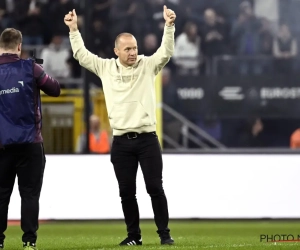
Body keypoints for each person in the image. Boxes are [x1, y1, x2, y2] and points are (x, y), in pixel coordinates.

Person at [64, 5, 176, 246]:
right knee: (127, 193)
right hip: (121, 142)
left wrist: (169, 27)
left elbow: (165, 53)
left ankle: (165, 235)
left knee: (155, 188)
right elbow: (82, 56)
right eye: (127, 49)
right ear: (116, 51)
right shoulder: (106, 67)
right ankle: (134, 236)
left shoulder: (147, 65)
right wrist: (74, 30)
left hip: (147, 139)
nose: (133, 52)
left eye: (134, 48)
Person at [0, 28, 61, 250]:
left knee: (1, 195)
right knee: (30, 195)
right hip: (30, 143)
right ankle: (29, 242)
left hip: (2, 146)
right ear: (19, 46)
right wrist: (40, 73)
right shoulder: (31, 68)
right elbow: (55, 89)